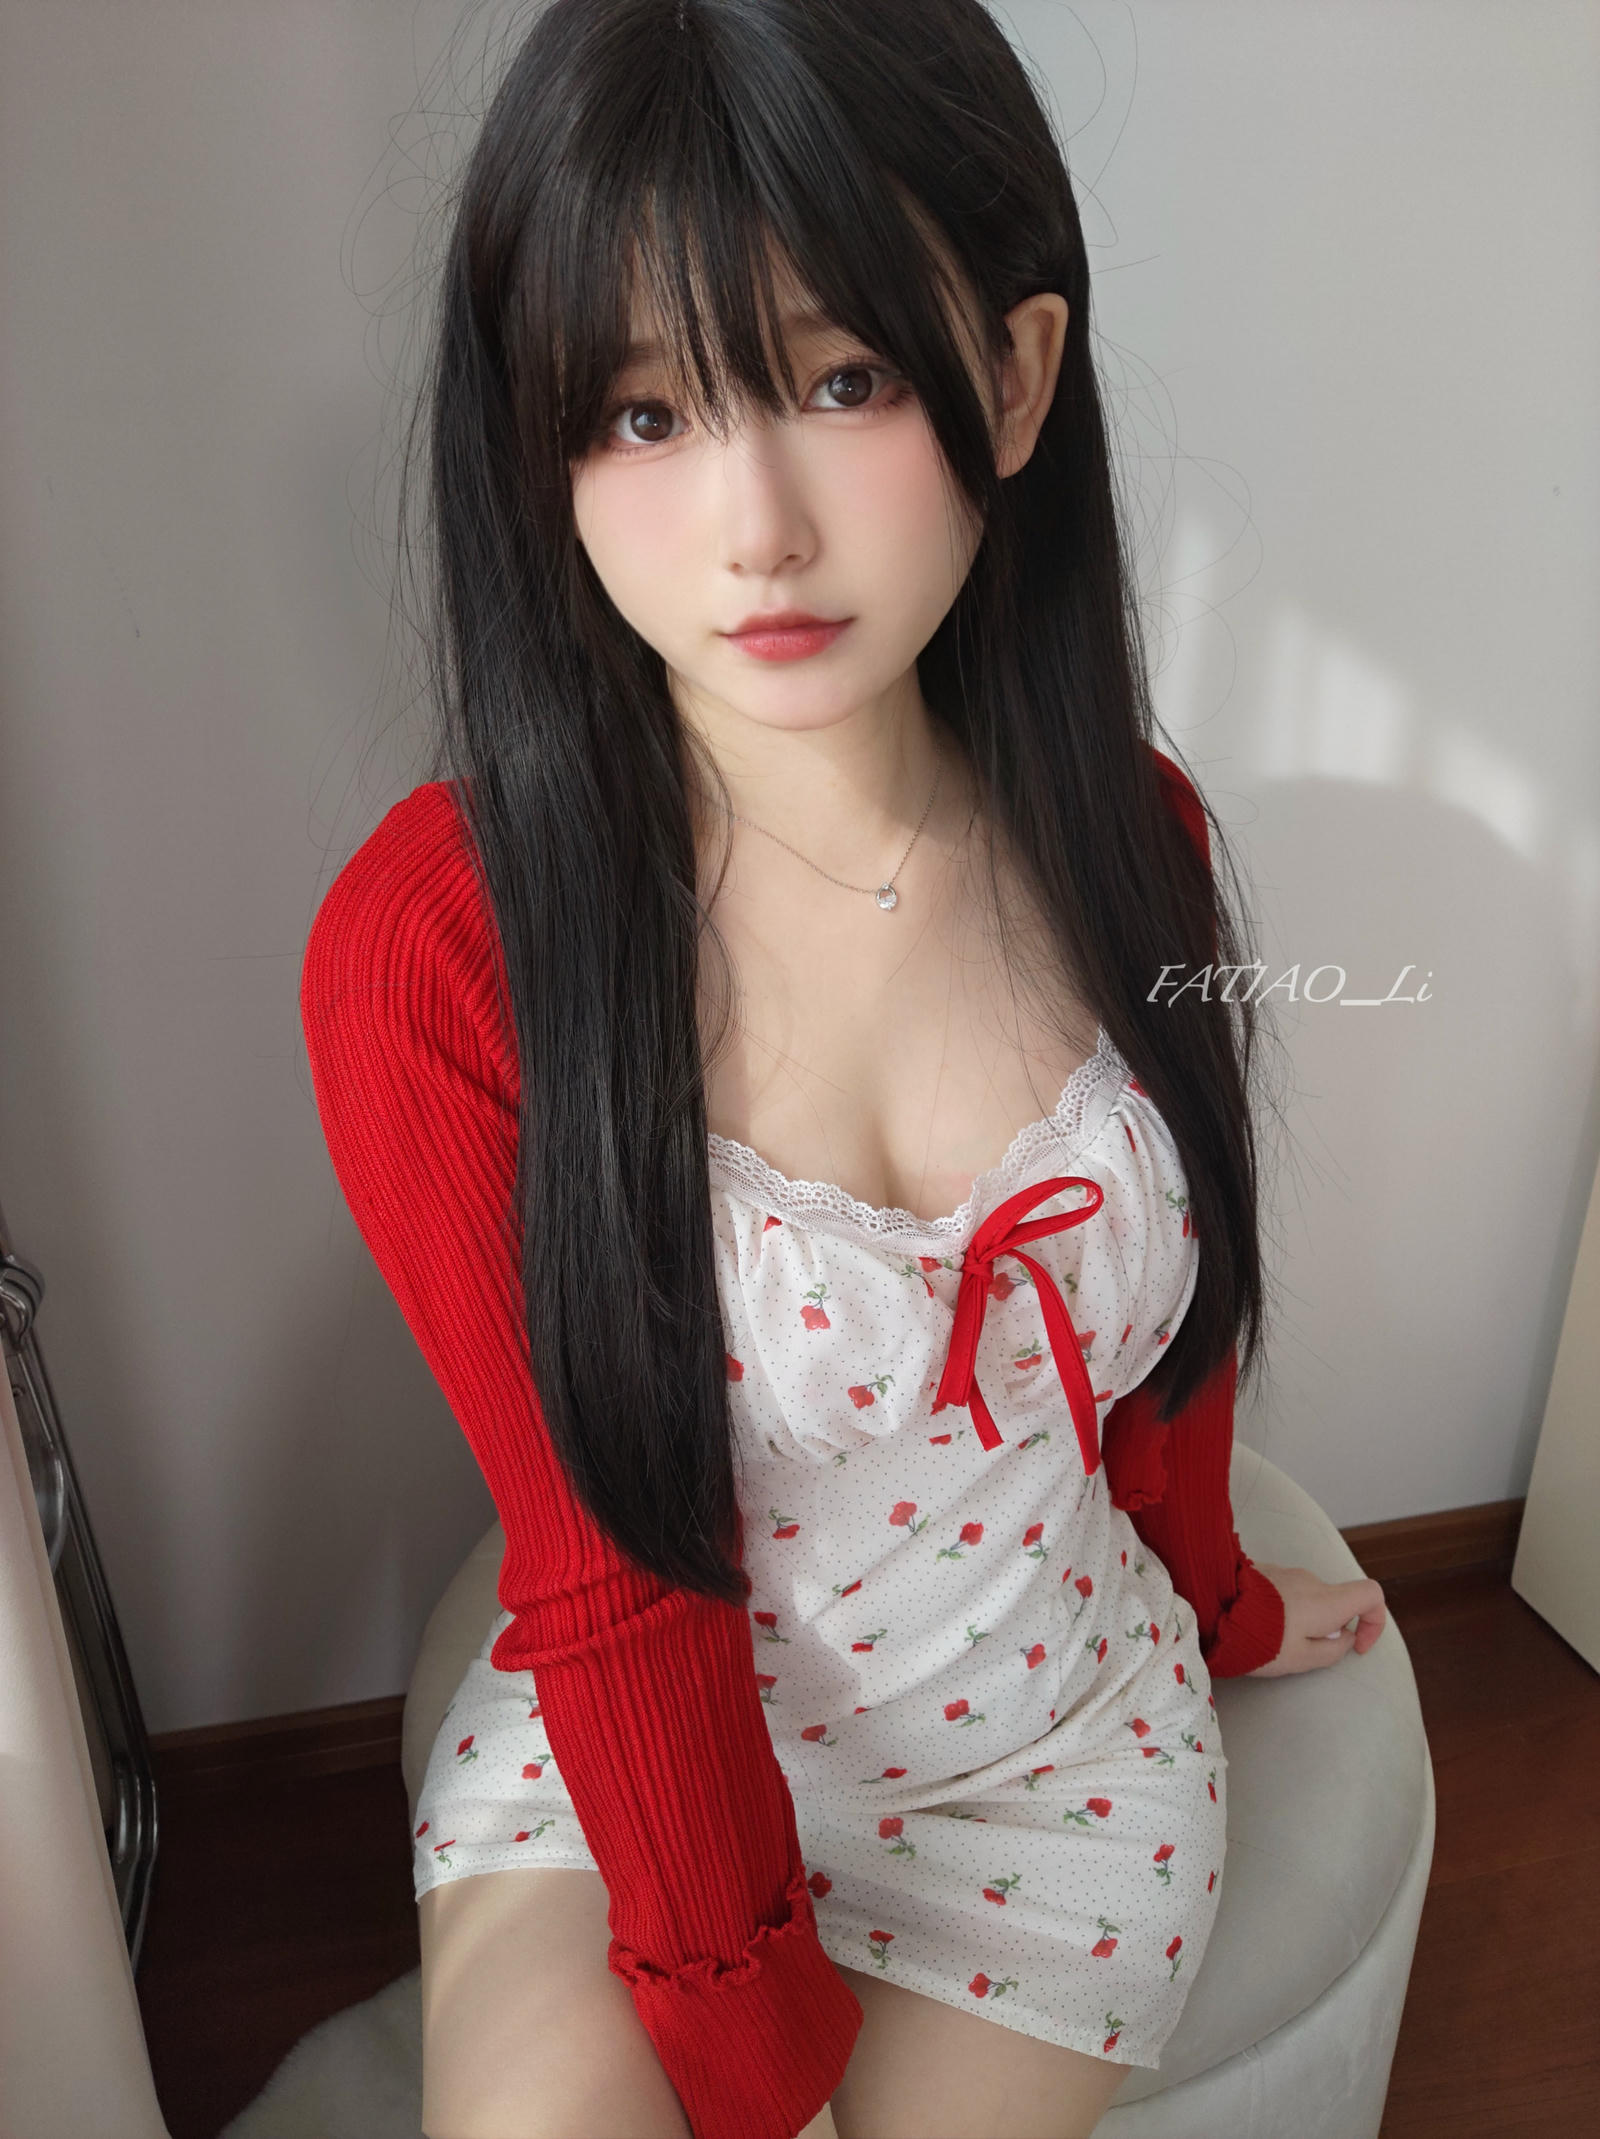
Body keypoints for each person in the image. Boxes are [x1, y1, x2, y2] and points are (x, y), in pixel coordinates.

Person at [299, 3, 1388, 2134]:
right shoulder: (448, 949)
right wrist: (750, 2042)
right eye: (641, 412)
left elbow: (1170, 1363)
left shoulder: (1129, 835)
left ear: (1013, 376)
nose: (755, 529)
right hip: (651, 1756)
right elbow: (604, 1561)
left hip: (1047, 1750)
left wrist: (1223, 1598)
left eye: (839, 378)